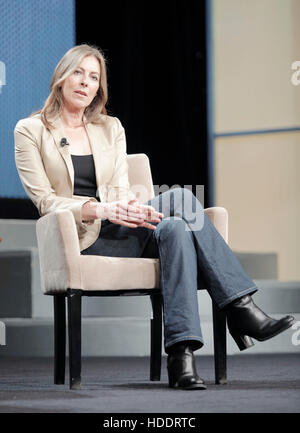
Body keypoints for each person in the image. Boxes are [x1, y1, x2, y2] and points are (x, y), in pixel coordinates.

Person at [14, 44, 295, 391]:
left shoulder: (109, 127)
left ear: (99, 88)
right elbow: (44, 201)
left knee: (176, 223)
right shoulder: (31, 130)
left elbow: (117, 186)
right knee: (179, 199)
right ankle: (241, 309)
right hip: (82, 238)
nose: (85, 82)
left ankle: (182, 356)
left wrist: (131, 203)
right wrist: (100, 208)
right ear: (61, 77)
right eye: (78, 72)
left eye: (93, 77)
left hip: (122, 228)